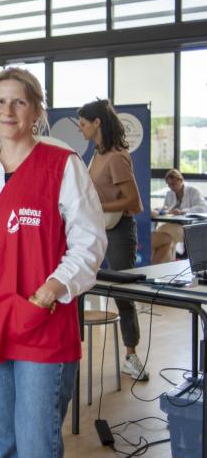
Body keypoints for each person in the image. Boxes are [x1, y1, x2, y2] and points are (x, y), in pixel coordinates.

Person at [0, 68, 106, 458]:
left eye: (19, 101)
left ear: (36, 110)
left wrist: (50, 290)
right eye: (0, 101)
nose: (8, 110)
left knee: (36, 447)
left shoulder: (62, 165)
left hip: (41, 321)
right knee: (7, 445)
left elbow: (89, 241)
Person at [78, 99, 149, 380]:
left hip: (119, 231)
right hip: (96, 229)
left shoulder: (117, 156)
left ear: (97, 123)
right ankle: (71, 352)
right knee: (79, 283)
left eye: (83, 123)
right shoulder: (97, 153)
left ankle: (131, 356)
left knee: (123, 294)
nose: (80, 128)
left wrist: (94, 205)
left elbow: (133, 201)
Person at [151, 168, 207, 263]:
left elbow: (203, 208)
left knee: (165, 235)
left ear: (180, 180)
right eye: (169, 185)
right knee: (163, 234)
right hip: (171, 224)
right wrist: (164, 209)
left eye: (173, 184)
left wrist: (183, 211)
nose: (171, 187)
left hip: (186, 226)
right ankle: (165, 265)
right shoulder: (169, 194)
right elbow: (167, 208)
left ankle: (159, 265)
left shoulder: (193, 191)